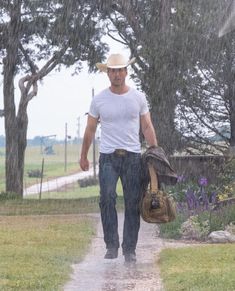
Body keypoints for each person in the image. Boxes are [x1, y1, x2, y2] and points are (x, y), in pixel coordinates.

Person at [79, 53, 158, 263]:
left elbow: (147, 126)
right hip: (108, 158)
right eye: (112, 70)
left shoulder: (138, 98)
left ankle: (129, 249)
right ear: (107, 73)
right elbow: (90, 130)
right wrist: (83, 156)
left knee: (133, 202)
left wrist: (156, 151)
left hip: (133, 157)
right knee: (107, 198)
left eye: (120, 70)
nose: (116, 74)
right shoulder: (99, 100)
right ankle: (111, 245)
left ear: (126, 72)